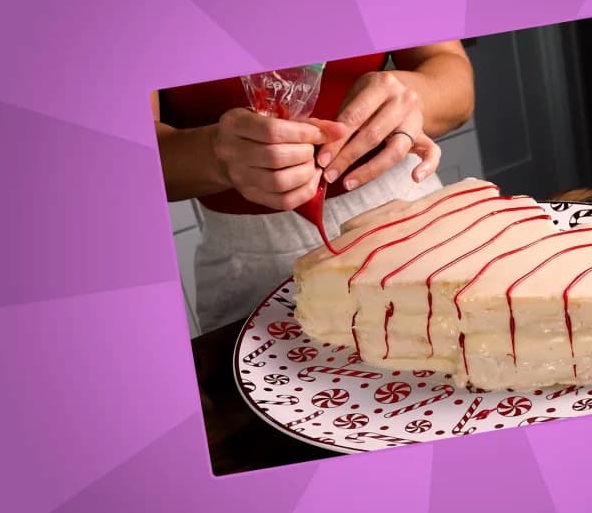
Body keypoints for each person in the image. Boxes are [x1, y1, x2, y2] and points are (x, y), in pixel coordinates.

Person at [153, 41, 475, 332]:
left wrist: (414, 95)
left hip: (410, 216)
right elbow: (117, 163)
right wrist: (213, 155)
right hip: (252, 264)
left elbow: (452, 74)